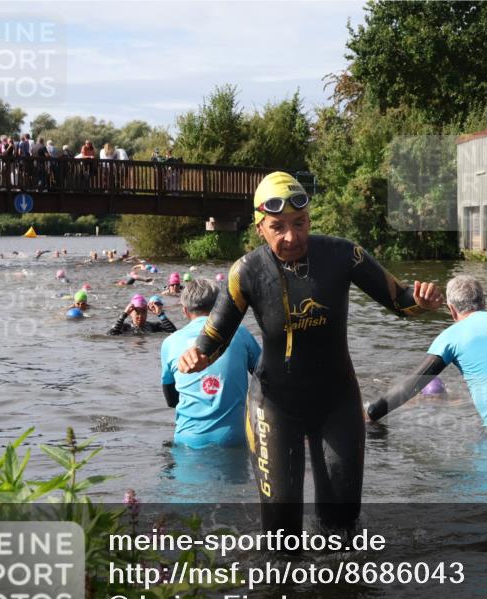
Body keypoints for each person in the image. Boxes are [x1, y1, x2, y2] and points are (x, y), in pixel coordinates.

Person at [176, 171, 443, 533]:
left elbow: (400, 300)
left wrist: (422, 302)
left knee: (342, 528)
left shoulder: (344, 254)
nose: (291, 236)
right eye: (278, 227)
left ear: (309, 219)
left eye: (299, 223)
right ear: (260, 228)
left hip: (337, 403)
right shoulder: (246, 271)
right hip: (274, 405)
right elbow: (214, 336)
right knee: (281, 533)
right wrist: (197, 356)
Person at [366, 274, 487, 440]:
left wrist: (371, 413)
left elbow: (413, 384)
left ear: (452, 309)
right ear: (483, 302)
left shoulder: (452, 335)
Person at [161, 279, 262, 449]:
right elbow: (266, 376)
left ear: (185, 310)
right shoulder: (240, 333)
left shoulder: (170, 342)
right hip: (233, 438)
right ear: (218, 307)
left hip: (188, 440)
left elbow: (171, 400)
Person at [108, 294, 177, 335]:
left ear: (147, 313)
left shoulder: (153, 326)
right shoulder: (125, 328)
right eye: (137, 312)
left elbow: (174, 332)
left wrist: (160, 314)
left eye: (143, 312)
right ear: (130, 313)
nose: (140, 316)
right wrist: (123, 315)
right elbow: (111, 334)